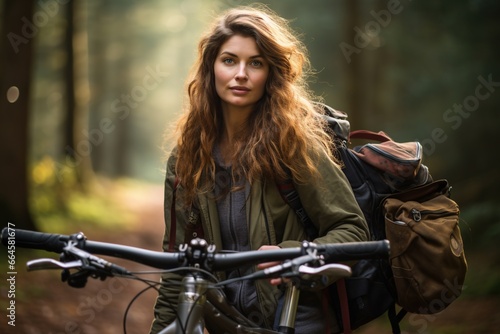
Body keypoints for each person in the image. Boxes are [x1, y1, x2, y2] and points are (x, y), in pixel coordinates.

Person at [150, 4, 369, 334]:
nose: (241, 74)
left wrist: (291, 255)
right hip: (226, 324)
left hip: (296, 320)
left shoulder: (295, 145)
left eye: (256, 63)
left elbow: (353, 232)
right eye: (229, 60)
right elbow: (179, 269)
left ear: (271, 74)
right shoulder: (187, 158)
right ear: (211, 69)